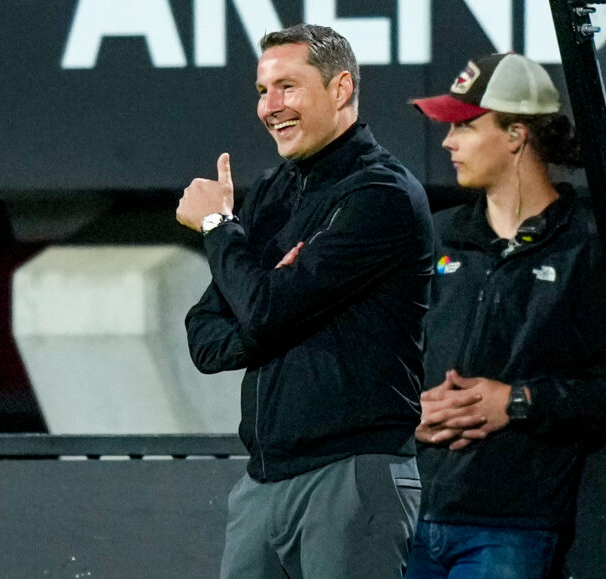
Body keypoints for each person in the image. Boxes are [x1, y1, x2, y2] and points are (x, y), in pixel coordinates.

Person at [176, 24, 433, 578]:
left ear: (340, 88)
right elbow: (204, 335)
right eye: (262, 91)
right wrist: (272, 305)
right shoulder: (273, 190)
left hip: (351, 475)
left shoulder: (381, 194)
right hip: (262, 483)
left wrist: (220, 226)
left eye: (287, 87)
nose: (271, 107)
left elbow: (262, 308)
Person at [407, 53, 606, 578]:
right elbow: (379, 356)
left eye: (465, 126)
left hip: (513, 525)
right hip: (409, 513)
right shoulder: (437, 234)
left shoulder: (587, 245)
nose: (448, 142)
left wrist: (518, 401)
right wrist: (408, 413)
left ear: (517, 134)